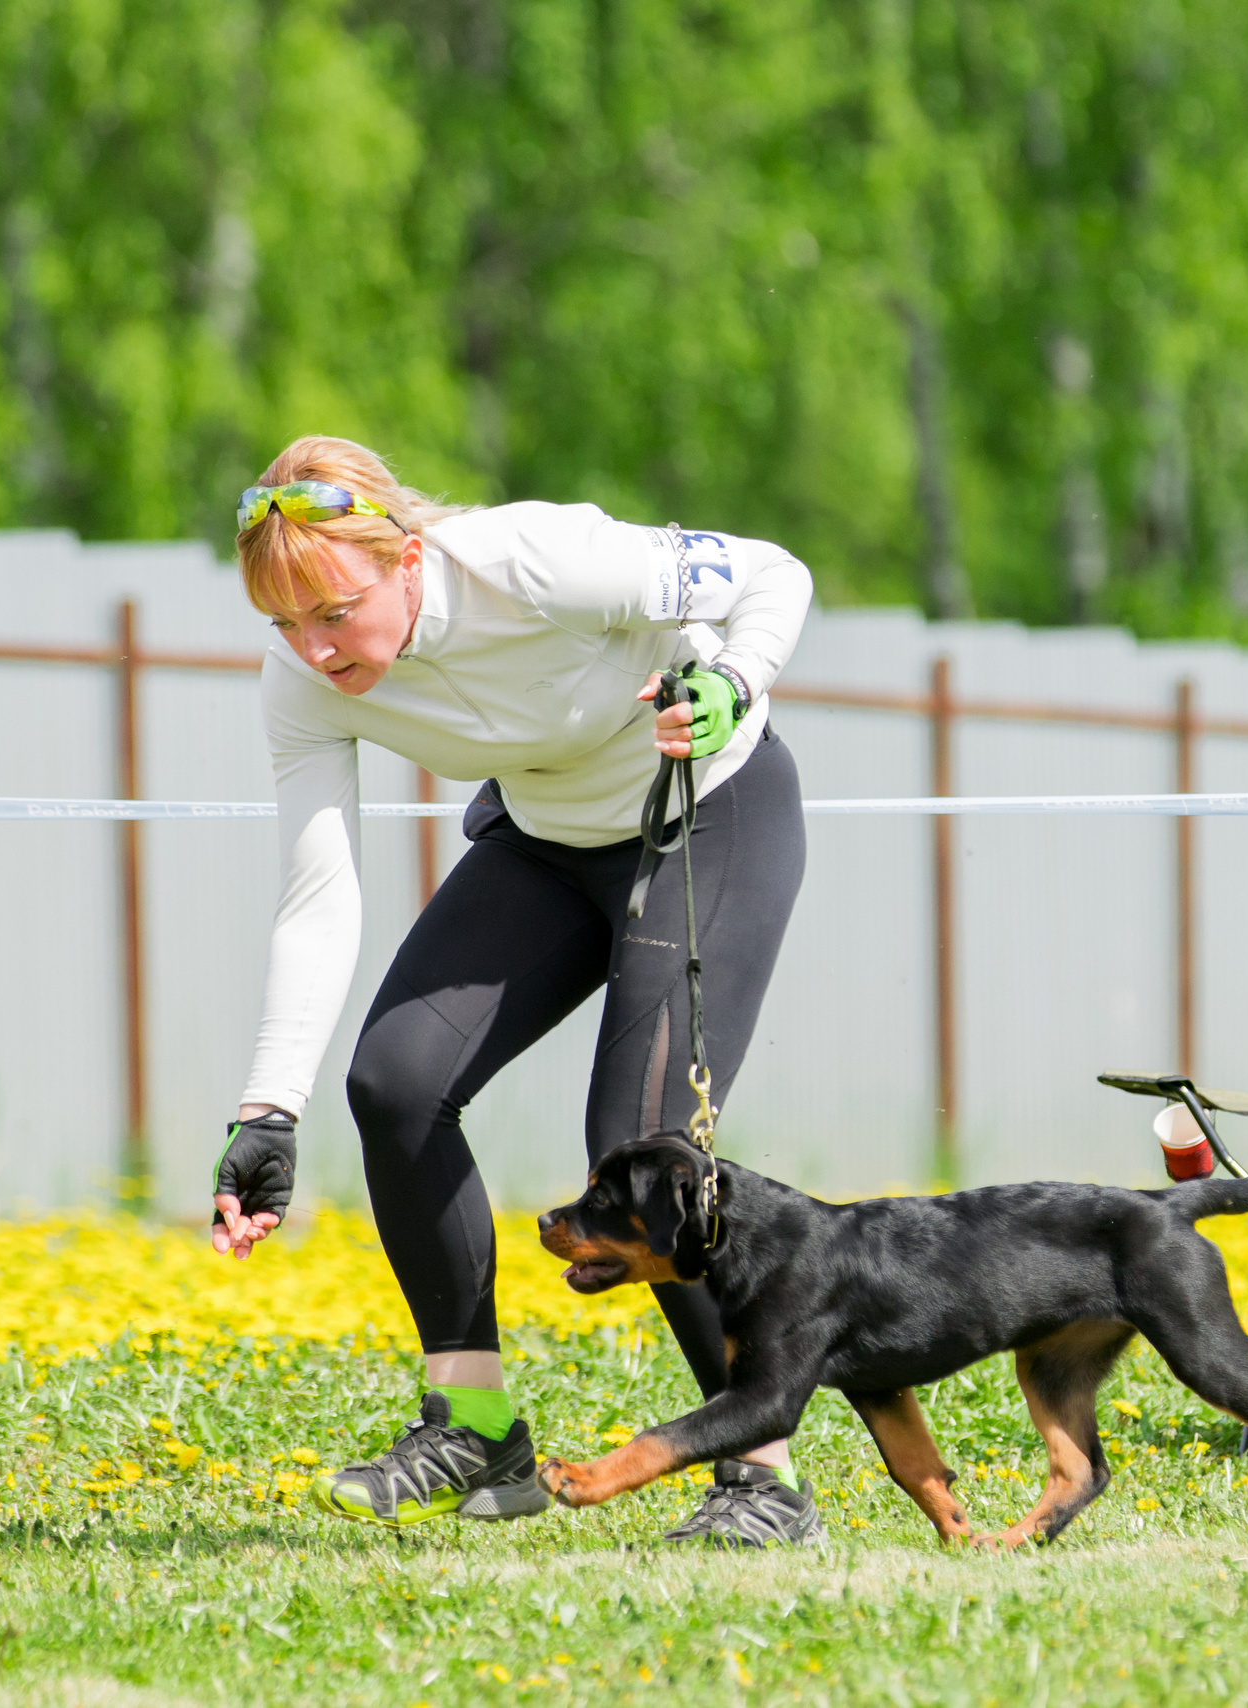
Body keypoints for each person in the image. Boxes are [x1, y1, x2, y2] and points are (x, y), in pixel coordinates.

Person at [207, 435, 819, 1546]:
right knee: (393, 1083)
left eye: (333, 611)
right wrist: (267, 1108)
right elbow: (318, 894)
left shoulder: (533, 558)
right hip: (544, 837)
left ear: (403, 558)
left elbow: (774, 571)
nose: (313, 647)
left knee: (639, 1140)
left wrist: (735, 681)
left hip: (705, 812)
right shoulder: (300, 680)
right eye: (283, 624)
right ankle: (475, 1428)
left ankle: (761, 1478)